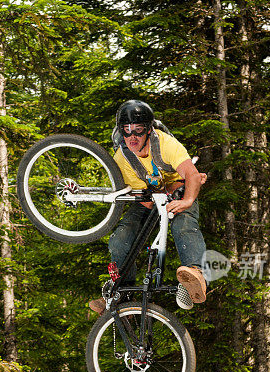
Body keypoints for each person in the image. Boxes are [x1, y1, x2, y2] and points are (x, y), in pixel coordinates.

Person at [89, 100, 208, 314]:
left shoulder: (165, 144)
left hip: (178, 191)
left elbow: (192, 175)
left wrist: (186, 200)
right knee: (121, 238)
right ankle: (122, 292)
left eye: (138, 130)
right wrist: (158, 197)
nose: (132, 137)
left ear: (149, 130)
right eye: (126, 131)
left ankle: (195, 274)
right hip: (149, 197)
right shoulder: (122, 157)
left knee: (183, 224)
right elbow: (141, 197)